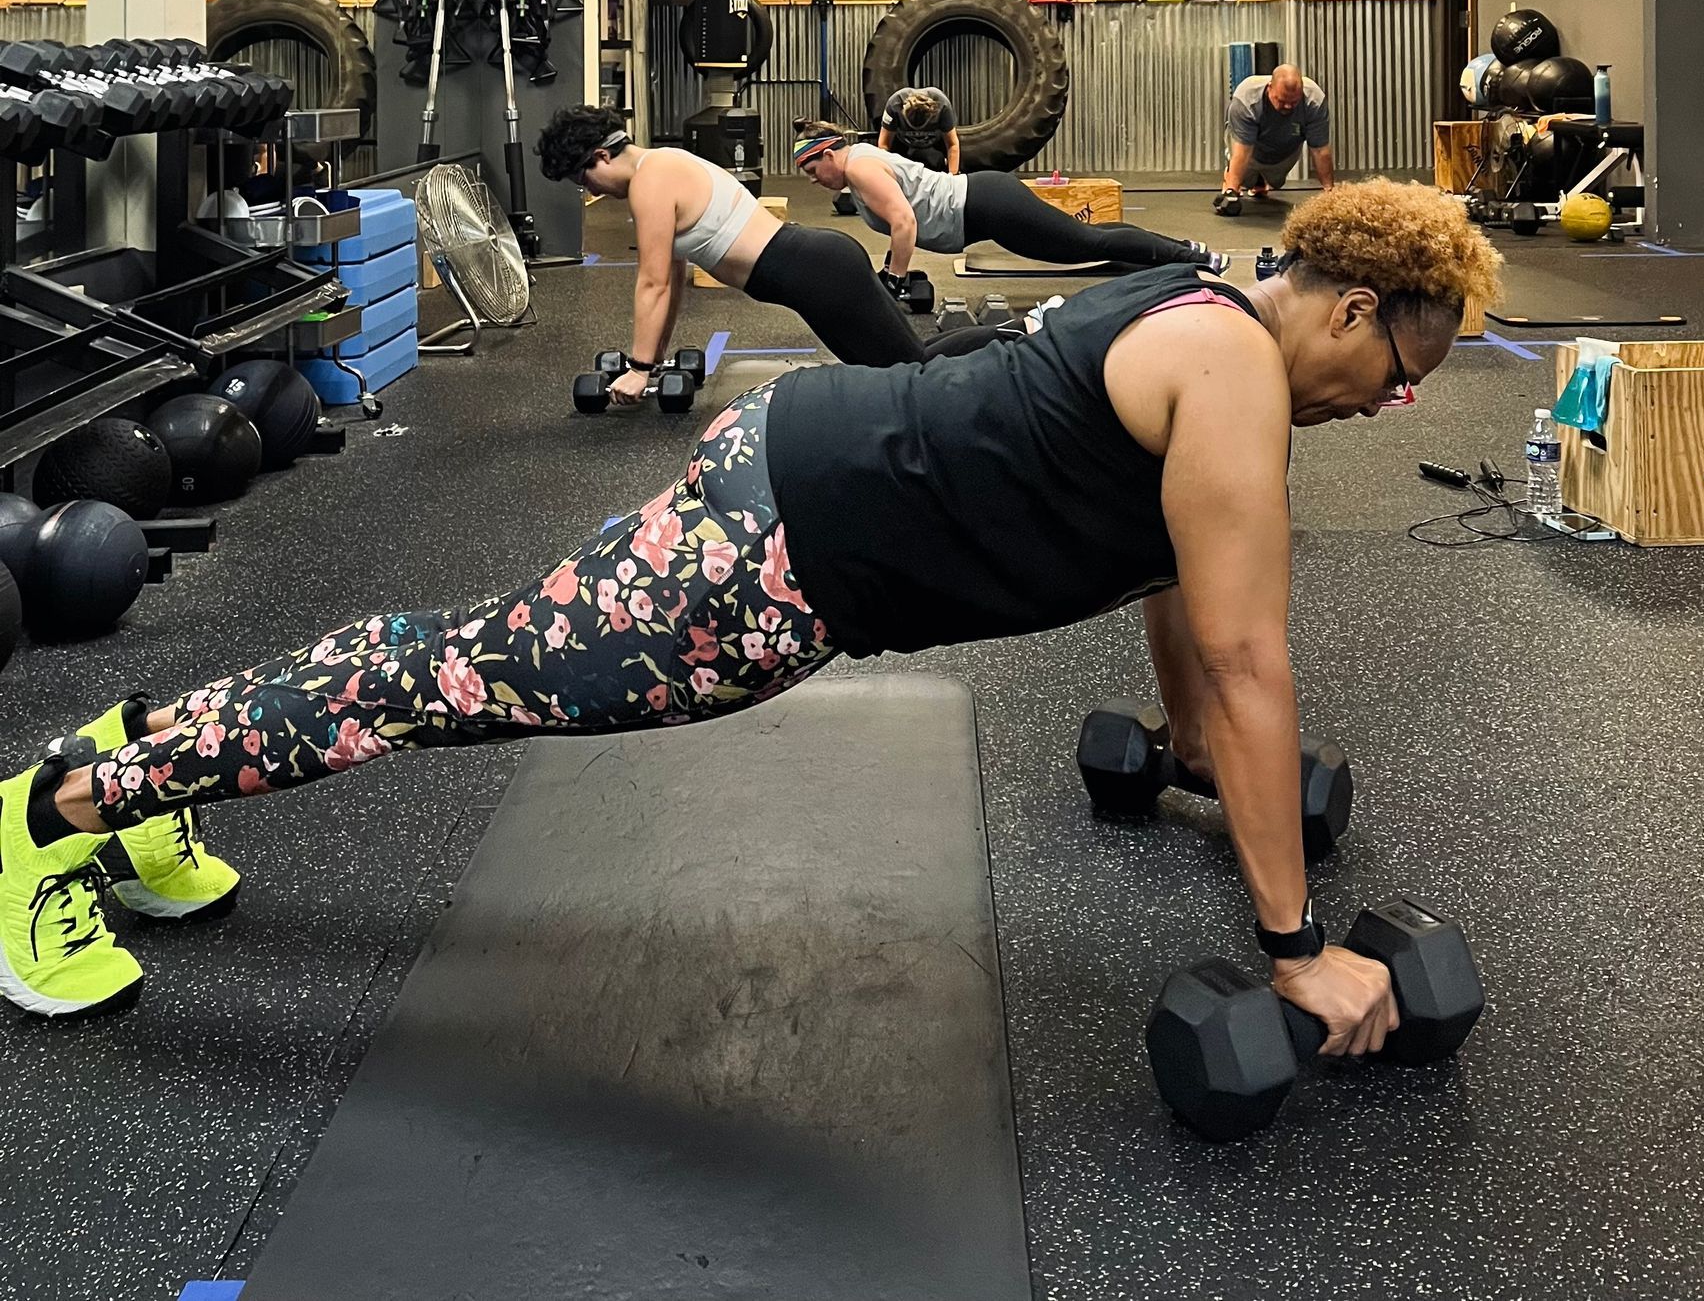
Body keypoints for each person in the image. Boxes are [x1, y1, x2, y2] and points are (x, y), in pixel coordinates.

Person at [1, 179, 1500, 1058]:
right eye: (1411, 366)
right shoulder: (1239, 383)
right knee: (447, 677)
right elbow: (1254, 660)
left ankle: (148, 778)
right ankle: (56, 803)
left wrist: (1182, 740)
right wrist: (1295, 945)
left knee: (451, 661)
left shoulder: (1202, 301)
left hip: (793, 472)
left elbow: (1176, 592)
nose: (1407, 401)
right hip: (766, 564)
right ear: (1356, 310)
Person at [534, 106, 931, 386]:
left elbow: (651, 283)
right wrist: (651, 359)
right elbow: (669, 282)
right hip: (820, 268)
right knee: (901, 365)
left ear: (601, 156)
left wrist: (637, 369)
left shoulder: (649, 183)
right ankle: (990, 356)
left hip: (821, 274)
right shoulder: (661, 164)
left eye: (584, 182)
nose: (591, 192)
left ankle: (995, 353)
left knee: (912, 372)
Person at [793, 124, 1225, 288]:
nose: (815, 181)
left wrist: (895, 279)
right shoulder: (862, 163)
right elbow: (900, 221)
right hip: (984, 203)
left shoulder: (861, 169)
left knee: (1087, 244)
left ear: (829, 155)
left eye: (813, 170)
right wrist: (893, 271)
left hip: (987, 206)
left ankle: (1192, 255)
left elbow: (904, 222)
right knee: (1089, 243)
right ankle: (1186, 253)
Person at [1217, 63, 1334, 214]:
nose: (1287, 106)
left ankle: (1260, 180)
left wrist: (1330, 192)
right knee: (1245, 178)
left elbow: (1320, 151)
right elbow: (1242, 152)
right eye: (1282, 100)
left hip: (1285, 147)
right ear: (1269, 87)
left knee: (1276, 182)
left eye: (1293, 102)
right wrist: (1231, 193)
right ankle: (1231, 177)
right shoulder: (1247, 98)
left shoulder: (1314, 100)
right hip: (1250, 148)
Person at [876, 85, 960, 175]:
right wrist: (885, 174)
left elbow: (952, 144)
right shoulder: (894, 105)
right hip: (902, 147)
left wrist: (953, 176)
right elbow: (884, 144)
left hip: (935, 147)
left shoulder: (943, 105)